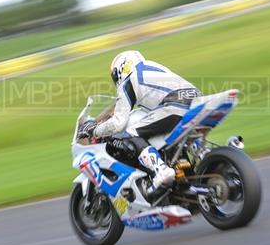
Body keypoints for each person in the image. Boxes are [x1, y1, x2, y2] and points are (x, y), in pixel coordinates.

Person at [78, 50, 202, 201]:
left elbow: (118, 123)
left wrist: (94, 130)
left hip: (175, 105)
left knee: (131, 134)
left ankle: (161, 170)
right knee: (177, 136)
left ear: (120, 70)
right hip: (196, 99)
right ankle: (203, 155)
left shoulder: (129, 80)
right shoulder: (153, 67)